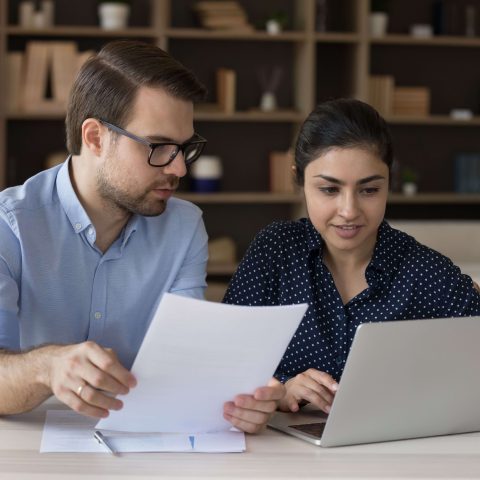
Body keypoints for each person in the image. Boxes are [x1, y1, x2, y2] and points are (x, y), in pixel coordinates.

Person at [0, 40, 283, 433]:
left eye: (185, 148)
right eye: (160, 147)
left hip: (144, 441)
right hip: (27, 446)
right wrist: (47, 367)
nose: (180, 168)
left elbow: (187, 365)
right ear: (95, 137)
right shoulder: (9, 225)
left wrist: (240, 401)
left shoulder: (184, 228)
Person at [223, 98, 480, 415]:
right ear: (300, 179)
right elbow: (223, 363)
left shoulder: (426, 271)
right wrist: (279, 389)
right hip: (285, 452)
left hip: (397, 452)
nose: (349, 211)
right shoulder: (275, 251)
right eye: (329, 190)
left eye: (369, 190)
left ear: (389, 181)